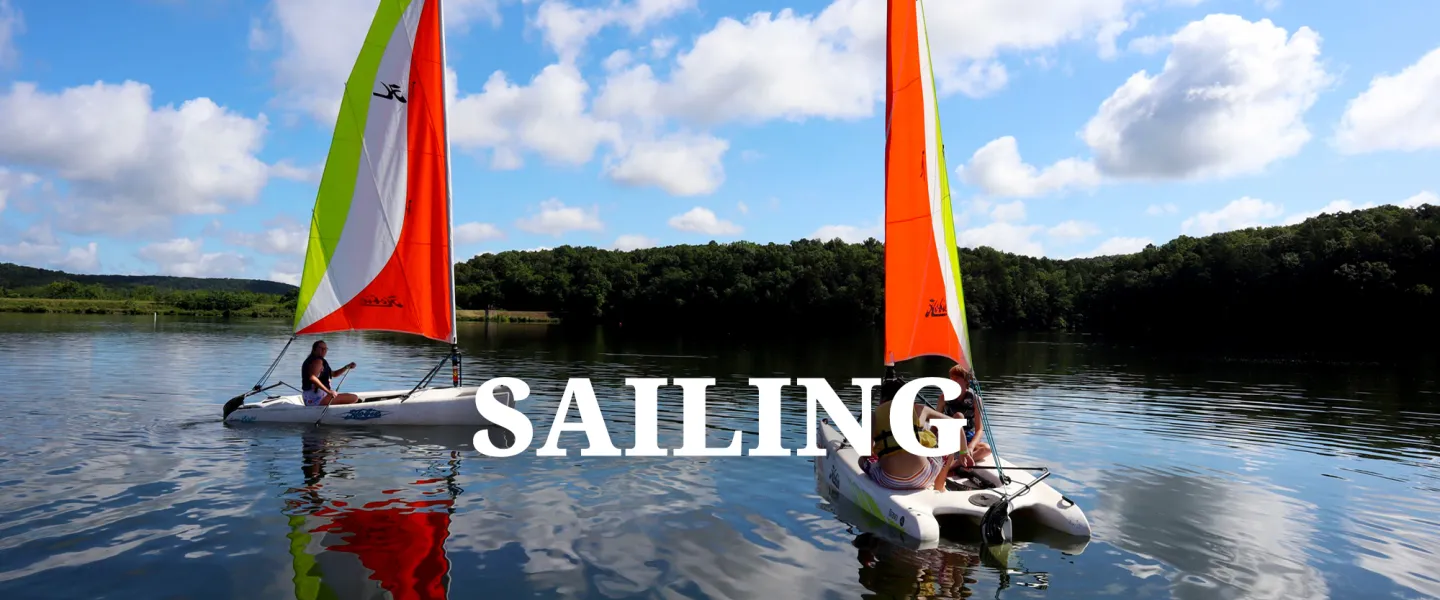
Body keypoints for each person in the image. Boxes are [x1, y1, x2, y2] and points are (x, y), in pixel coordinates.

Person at [867, 374, 967, 492]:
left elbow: (867, 452)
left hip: (889, 480)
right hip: (923, 478)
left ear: (881, 400)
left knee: (863, 460)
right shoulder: (919, 409)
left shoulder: (874, 416)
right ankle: (939, 487)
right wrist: (963, 452)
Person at [942, 364, 992, 468]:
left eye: (957, 378)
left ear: (966, 381)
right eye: (951, 378)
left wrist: (970, 447)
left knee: (987, 449)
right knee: (959, 416)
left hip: (967, 437)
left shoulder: (976, 400)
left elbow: (979, 430)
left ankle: (955, 464)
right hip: (949, 437)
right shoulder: (943, 398)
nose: (953, 381)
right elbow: (934, 425)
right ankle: (958, 460)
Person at [301, 340, 360, 407]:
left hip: (310, 398)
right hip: (317, 398)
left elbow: (334, 374)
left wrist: (347, 367)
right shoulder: (318, 361)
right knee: (354, 398)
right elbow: (312, 377)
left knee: (351, 398)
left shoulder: (312, 360)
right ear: (314, 349)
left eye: (325, 349)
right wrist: (329, 392)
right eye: (321, 348)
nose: (324, 350)